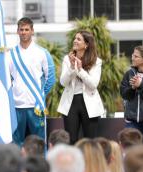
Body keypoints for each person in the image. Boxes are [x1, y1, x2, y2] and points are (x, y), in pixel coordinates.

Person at [9, 17, 55, 146]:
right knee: (16, 143)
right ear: (17, 31)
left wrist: (41, 95)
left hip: (36, 107)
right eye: (21, 29)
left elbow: (51, 78)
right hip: (16, 106)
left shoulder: (42, 53)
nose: (24, 32)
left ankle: (40, 166)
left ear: (32, 31)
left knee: (39, 143)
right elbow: (5, 80)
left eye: (26, 29)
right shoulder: (10, 54)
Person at [57, 30, 104, 145]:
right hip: (71, 102)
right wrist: (72, 68)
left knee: (90, 141)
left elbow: (93, 84)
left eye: (78, 39)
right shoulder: (67, 59)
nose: (75, 41)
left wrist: (80, 69)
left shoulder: (96, 61)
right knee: (71, 139)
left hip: (90, 103)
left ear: (86, 44)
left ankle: (91, 162)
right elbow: (63, 82)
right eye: (75, 38)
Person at [120, 45, 143, 139]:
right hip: (131, 122)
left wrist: (141, 85)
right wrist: (133, 88)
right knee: (130, 149)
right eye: (132, 55)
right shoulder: (129, 73)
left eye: (136, 56)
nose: (132, 58)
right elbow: (124, 94)